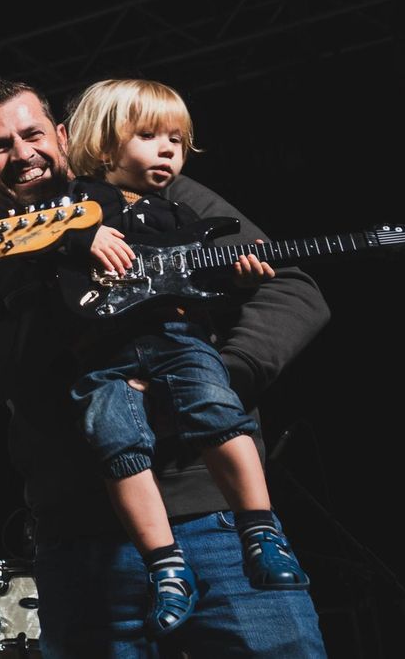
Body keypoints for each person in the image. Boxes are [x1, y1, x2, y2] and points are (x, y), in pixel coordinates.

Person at [0, 78, 330, 656]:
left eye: (32, 133)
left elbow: (292, 287)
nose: (21, 154)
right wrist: (64, 284)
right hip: (83, 546)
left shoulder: (152, 196)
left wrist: (220, 377)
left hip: (216, 522)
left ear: (65, 136)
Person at [59, 79, 311, 639]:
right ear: (103, 147)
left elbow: (207, 279)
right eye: (149, 136)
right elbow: (44, 243)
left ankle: (259, 531)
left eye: (177, 138)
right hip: (108, 361)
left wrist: (238, 278)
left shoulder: (181, 208)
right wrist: (83, 236)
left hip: (178, 342)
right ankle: (165, 564)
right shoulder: (72, 202)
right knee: (116, 439)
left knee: (219, 410)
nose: (169, 149)